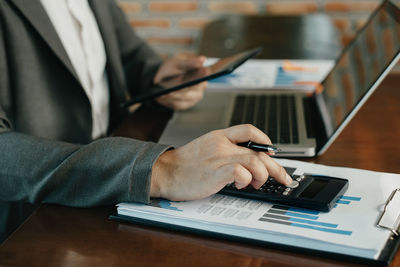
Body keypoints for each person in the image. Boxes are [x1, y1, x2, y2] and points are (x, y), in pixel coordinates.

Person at [0, 0, 291, 242]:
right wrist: (163, 170)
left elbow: (127, 55)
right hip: (30, 220)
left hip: (106, 192)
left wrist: (158, 77)